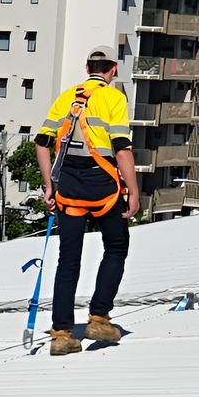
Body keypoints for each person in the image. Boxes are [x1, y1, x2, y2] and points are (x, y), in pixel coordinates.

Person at [34, 46, 139, 357]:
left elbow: (42, 143)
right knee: (116, 247)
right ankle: (98, 318)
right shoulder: (114, 99)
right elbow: (121, 149)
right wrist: (133, 191)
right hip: (103, 185)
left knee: (68, 260)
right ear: (113, 69)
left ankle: (63, 333)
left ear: (87, 67)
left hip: (68, 187)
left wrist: (49, 186)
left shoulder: (67, 96)